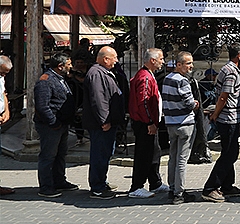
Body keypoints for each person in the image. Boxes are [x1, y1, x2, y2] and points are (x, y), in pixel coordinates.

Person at [202, 44, 240, 202]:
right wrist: (216, 113)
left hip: (232, 117)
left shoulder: (230, 70)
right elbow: (224, 96)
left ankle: (227, 185)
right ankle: (211, 187)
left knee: (229, 152)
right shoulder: (231, 72)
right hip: (228, 118)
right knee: (229, 154)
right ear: (239, 56)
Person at [33, 53, 78, 198]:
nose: (71, 67)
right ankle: (46, 186)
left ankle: (59, 180)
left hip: (62, 124)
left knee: (60, 154)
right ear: (60, 66)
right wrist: (53, 122)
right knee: (48, 156)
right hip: (50, 126)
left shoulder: (61, 79)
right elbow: (42, 106)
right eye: (68, 64)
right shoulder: (45, 81)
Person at [83, 46, 125, 199]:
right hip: (101, 124)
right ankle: (97, 187)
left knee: (106, 153)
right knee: (99, 154)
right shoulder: (96, 74)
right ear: (105, 59)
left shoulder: (103, 72)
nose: (116, 61)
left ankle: (101, 181)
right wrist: (105, 120)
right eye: (114, 57)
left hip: (108, 123)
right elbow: (98, 99)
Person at [127, 48, 170, 199]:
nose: (162, 62)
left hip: (150, 122)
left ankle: (155, 182)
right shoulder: (144, 77)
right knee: (144, 155)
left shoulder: (147, 75)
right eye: (161, 59)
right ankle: (136, 186)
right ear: (153, 60)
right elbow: (143, 102)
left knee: (153, 152)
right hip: (145, 123)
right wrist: (149, 122)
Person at [162, 51, 199, 205]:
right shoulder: (182, 81)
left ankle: (172, 187)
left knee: (173, 156)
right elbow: (189, 103)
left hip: (171, 122)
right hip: (184, 123)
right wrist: (195, 104)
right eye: (188, 63)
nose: (191, 66)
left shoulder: (166, 79)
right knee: (182, 160)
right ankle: (179, 193)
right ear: (179, 64)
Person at [0, 55, 14, 195]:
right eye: (2, 72)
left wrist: (6, 110)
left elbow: (3, 93)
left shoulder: (1, 78)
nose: (3, 75)